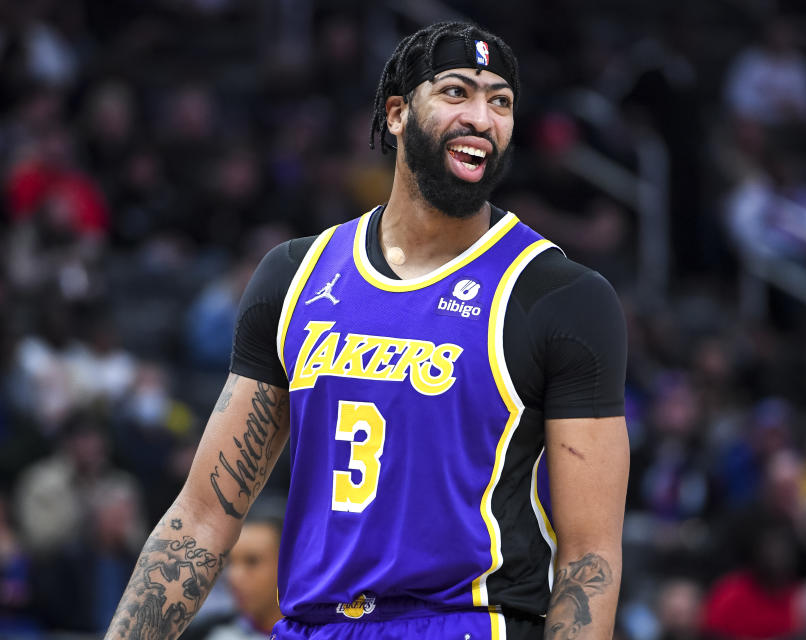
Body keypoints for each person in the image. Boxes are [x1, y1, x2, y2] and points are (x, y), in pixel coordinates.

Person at [105, 20, 629, 640]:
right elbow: (201, 517)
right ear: (399, 113)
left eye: (501, 101)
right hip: (313, 624)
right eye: (457, 92)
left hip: (463, 623)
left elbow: (588, 558)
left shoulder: (560, 296)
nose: (483, 118)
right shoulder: (294, 276)